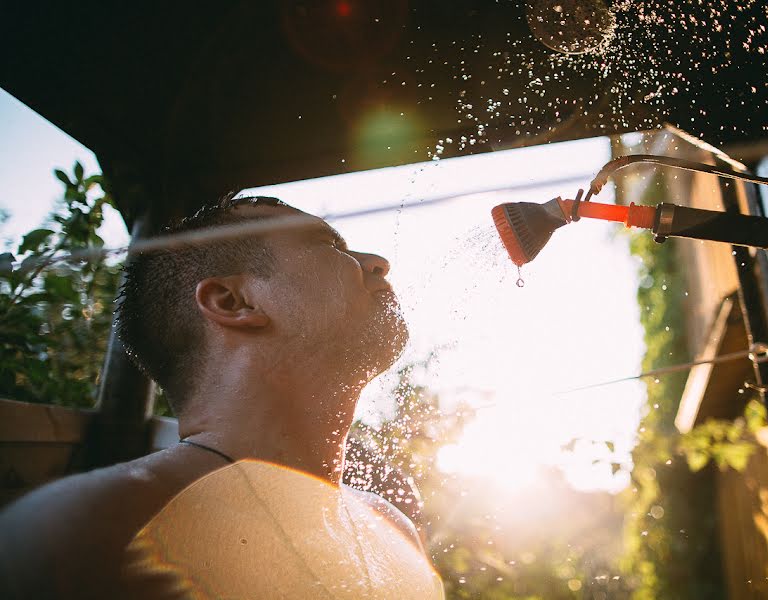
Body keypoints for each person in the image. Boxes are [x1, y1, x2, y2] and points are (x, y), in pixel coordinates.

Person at [0, 195, 443, 599]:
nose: (378, 262)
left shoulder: (394, 530)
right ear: (233, 301)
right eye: (329, 245)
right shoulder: (84, 531)